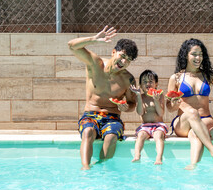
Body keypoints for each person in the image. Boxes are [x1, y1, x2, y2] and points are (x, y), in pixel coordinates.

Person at [68, 26, 138, 170]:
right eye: (122, 56)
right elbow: (72, 46)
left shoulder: (128, 80)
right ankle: (85, 168)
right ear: (114, 52)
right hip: (90, 114)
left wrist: (125, 107)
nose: (124, 62)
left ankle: (101, 168)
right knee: (88, 131)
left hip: (113, 118)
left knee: (111, 136)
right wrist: (93, 39)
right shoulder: (95, 63)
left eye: (128, 60)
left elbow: (132, 104)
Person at [166, 38, 213, 167]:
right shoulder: (176, 78)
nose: (198, 57)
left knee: (195, 134)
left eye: (200, 54)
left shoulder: (209, 75)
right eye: (194, 54)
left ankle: (193, 166)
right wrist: (175, 104)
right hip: (183, 122)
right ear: (186, 55)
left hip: (205, 120)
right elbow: (169, 108)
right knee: (191, 112)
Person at [130, 70, 168, 165]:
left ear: (156, 84)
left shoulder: (160, 95)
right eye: (144, 81)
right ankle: (137, 155)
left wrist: (156, 100)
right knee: (140, 136)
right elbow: (140, 112)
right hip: (145, 126)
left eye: (151, 81)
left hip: (158, 125)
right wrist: (138, 96)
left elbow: (160, 113)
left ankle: (159, 157)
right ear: (140, 85)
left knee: (158, 136)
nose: (148, 83)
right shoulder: (140, 97)